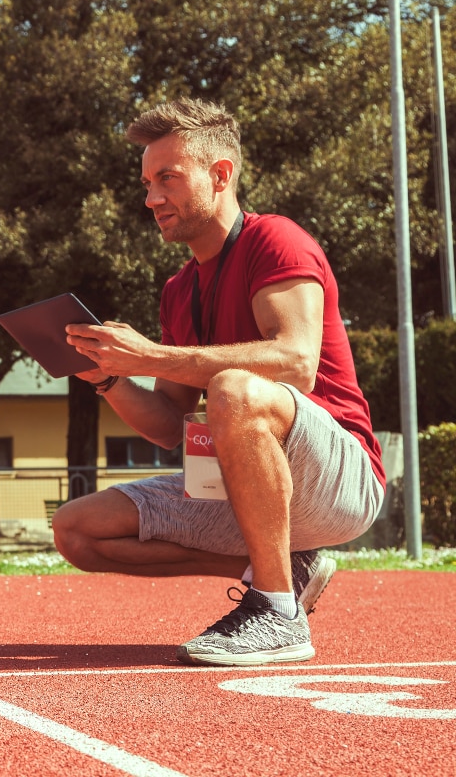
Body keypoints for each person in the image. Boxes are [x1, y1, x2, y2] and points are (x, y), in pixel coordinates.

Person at [53, 98, 385, 667]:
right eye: (147, 182)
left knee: (234, 387)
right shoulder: (178, 290)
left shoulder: (276, 239)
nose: (151, 197)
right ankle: (280, 569)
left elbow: (296, 361)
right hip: (245, 486)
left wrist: (154, 355)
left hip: (338, 478)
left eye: (167, 179)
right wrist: (108, 379)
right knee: (76, 530)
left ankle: (277, 612)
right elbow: (167, 427)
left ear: (221, 174)